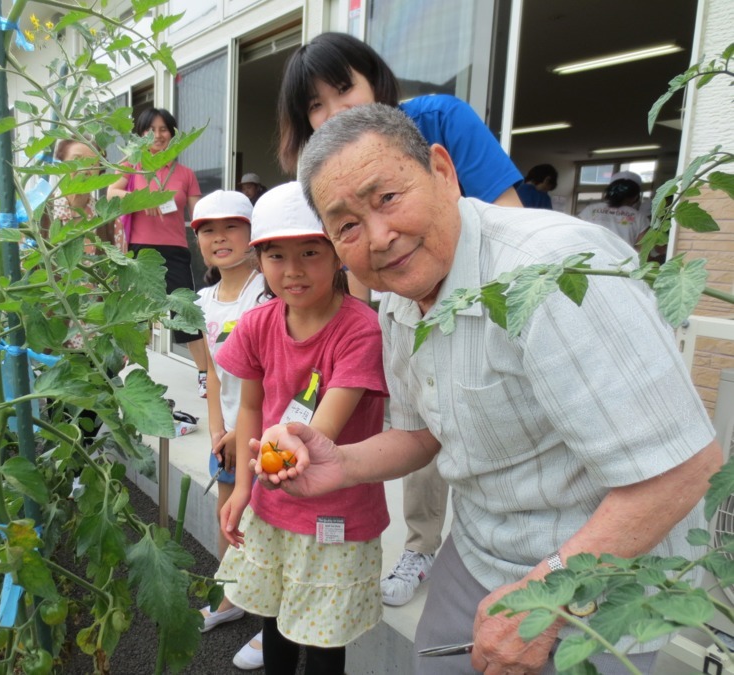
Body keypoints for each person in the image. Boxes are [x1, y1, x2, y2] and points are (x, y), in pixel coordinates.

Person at [254, 103, 722, 674]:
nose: (378, 237)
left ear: (442, 171)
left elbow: (682, 469)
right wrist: (342, 463)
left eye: (388, 198)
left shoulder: (557, 271)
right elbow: (423, 434)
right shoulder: (400, 297)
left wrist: (546, 598)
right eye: (347, 226)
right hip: (480, 547)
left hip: (601, 577)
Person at [277, 30, 522, 606]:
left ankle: (512, 547)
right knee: (423, 421)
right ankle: (422, 544)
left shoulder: (440, 121)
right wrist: (369, 330)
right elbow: (363, 265)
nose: (335, 111)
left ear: (376, 80)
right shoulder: (324, 172)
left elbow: (507, 218)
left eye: (344, 89)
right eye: (316, 104)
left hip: (493, 299)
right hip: (412, 306)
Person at [214, 181, 389, 674]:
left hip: (337, 512)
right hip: (274, 501)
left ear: (338, 255)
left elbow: (322, 428)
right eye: (276, 255)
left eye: (310, 252)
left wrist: (283, 454)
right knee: (273, 618)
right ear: (259, 261)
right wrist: (243, 488)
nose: (292, 270)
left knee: (325, 639)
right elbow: (250, 407)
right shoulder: (258, 323)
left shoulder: (360, 328)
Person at [191, 190, 267, 640]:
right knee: (228, 515)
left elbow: (274, 374)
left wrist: (240, 432)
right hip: (228, 434)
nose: (219, 238)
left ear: (252, 235)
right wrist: (218, 430)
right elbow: (213, 374)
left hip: (264, 428)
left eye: (231, 227)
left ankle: (271, 618)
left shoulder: (266, 292)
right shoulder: (203, 300)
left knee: (269, 521)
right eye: (208, 231)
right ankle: (230, 598)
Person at [107, 107, 210, 397]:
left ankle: (205, 374)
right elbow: (111, 193)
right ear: (140, 134)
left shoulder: (185, 174)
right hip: (141, 251)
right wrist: (144, 199)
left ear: (173, 134)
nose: (157, 135)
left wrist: (209, 246)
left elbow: (199, 215)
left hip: (176, 250)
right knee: (136, 316)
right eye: (150, 129)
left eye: (164, 129)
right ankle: (111, 372)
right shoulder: (131, 165)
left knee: (186, 313)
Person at [578, 170, 650, 249]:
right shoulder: (640, 218)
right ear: (635, 196)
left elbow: (575, 234)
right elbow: (643, 251)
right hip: (622, 257)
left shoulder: (590, 210)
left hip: (589, 256)